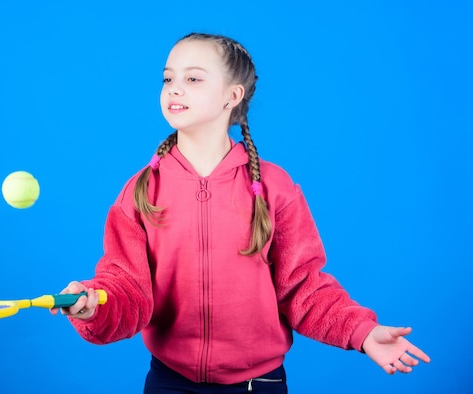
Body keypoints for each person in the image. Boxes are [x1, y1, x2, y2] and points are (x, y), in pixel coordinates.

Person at [51, 32, 430, 393]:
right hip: (170, 381)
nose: (174, 88)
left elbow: (303, 288)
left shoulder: (274, 187)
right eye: (168, 78)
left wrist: (362, 332)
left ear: (232, 96)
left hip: (259, 385)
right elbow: (126, 288)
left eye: (193, 78)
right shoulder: (140, 191)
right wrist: (93, 304)